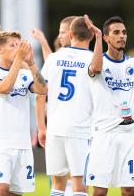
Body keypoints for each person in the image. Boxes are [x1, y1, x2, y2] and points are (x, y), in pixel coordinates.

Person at [84, 10, 134, 196]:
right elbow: (96, 68)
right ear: (106, 37)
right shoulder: (98, 61)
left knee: (130, 190)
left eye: (124, 32)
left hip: (128, 134)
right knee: (99, 192)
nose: (122, 36)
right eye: (116, 33)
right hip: (104, 133)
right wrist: (96, 37)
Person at [36, 15, 102, 196]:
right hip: (81, 129)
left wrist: (41, 127)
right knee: (79, 185)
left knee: (57, 184)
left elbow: (40, 95)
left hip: (55, 129)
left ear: (70, 34)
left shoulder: (53, 59)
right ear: (91, 36)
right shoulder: (94, 60)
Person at [0, 31, 47, 196]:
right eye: (12, 45)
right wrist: (19, 59)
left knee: (16, 193)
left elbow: (43, 90)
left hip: (23, 144)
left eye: (19, 45)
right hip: (0, 144)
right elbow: (4, 87)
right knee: (0, 190)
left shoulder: (24, 74)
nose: (18, 49)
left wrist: (31, 64)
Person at [32, 16, 76, 195]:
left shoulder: (55, 59)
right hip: (74, 125)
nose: (59, 37)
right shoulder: (88, 59)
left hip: (58, 125)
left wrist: (42, 41)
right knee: (76, 179)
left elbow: (41, 92)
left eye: (62, 33)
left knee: (59, 181)